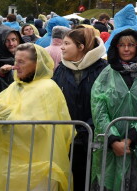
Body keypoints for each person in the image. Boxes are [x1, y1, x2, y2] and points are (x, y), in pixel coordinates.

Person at [0, 44, 74, 190]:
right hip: (13, 165)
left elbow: (39, 129)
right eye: (15, 61)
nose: (15, 67)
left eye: (21, 62)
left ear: (37, 64)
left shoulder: (47, 88)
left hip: (38, 167)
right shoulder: (15, 86)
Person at [90, 28, 137, 191]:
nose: (126, 49)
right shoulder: (105, 75)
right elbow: (98, 108)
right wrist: (113, 139)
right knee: (108, 181)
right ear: (116, 48)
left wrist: (130, 138)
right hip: (110, 146)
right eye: (122, 45)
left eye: (131, 45)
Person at [52, 25, 108, 191]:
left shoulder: (102, 69)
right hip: (67, 140)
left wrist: (87, 129)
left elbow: (105, 103)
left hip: (93, 138)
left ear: (81, 47)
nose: (61, 47)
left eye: (67, 43)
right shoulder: (61, 69)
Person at [0, 24, 23, 95]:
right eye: (6, 41)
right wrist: (0, 73)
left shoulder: (24, 56)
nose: (11, 43)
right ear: (1, 43)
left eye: (13, 39)